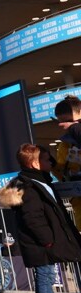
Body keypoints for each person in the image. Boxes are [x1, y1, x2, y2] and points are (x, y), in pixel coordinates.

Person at [0, 143, 81, 293]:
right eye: (46, 158)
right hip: (41, 243)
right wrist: (47, 240)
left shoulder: (38, 181)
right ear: (34, 163)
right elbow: (32, 217)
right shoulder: (29, 184)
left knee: (45, 277)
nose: (51, 161)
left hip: (44, 241)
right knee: (45, 277)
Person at [52, 95, 81, 229]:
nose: (63, 126)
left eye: (69, 121)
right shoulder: (65, 144)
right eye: (60, 122)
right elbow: (62, 173)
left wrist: (74, 128)